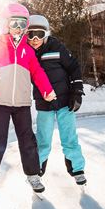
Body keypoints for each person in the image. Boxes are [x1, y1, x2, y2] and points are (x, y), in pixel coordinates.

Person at [0, 3, 57, 196]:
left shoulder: (28, 51)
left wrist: (49, 93)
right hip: (1, 103)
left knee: (28, 140)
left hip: (22, 104)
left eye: (22, 23)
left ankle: (33, 174)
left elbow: (38, 74)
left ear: (26, 26)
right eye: (14, 23)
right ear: (6, 25)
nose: (18, 27)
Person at [26, 14, 87, 185]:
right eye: (31, 34)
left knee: (69, 137)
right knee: (43, 139)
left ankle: (77, 168)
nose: (35, 38)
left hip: (64, 101)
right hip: (43, 102)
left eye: (39, 33)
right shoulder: (26, 52)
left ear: (46, 33)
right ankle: (36, 169)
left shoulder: (57, 47)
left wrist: (77, 91)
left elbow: (73, 67)